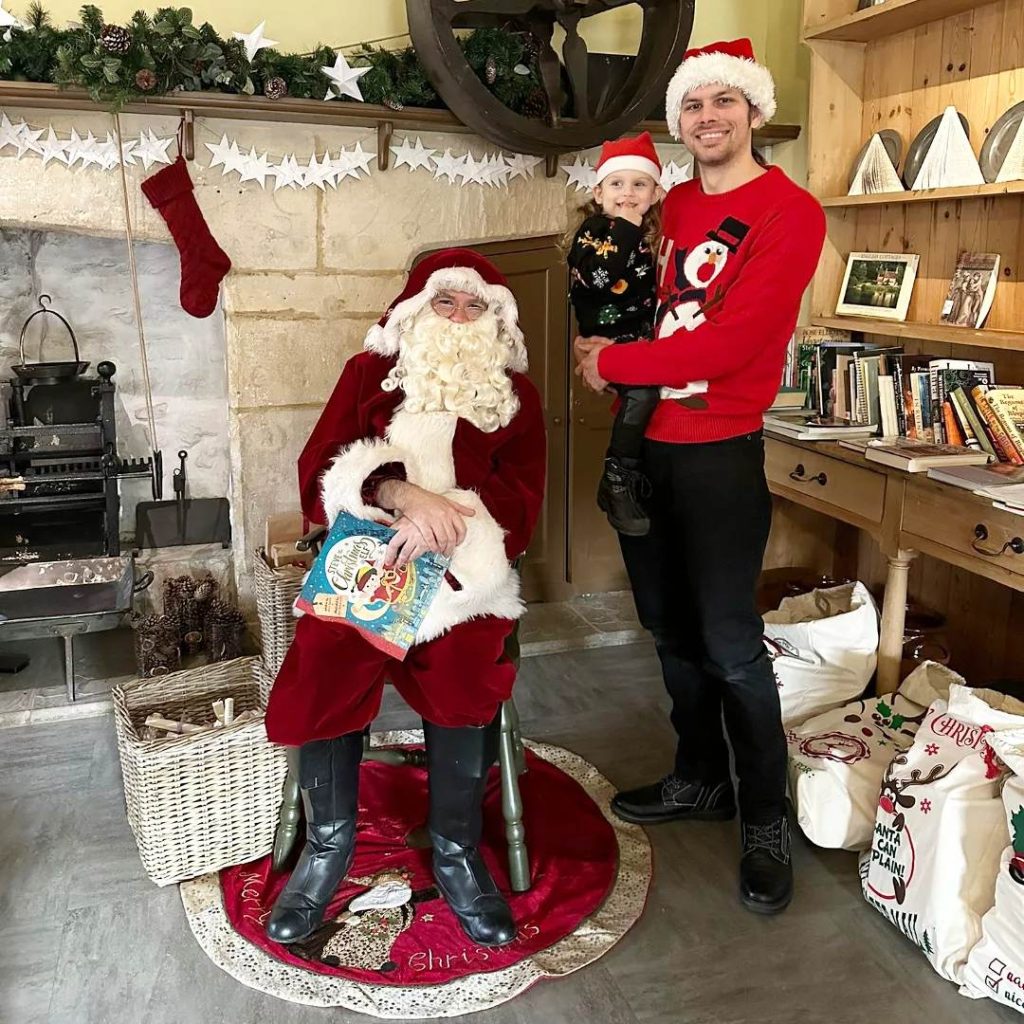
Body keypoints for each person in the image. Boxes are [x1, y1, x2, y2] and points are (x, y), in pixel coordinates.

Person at [575, 38, 826, 915]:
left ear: (753, 112)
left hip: (720, 449)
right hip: (640, 447)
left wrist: (617, 363)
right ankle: (700, 777)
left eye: (723, 102)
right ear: (678, 122)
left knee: (729, 643)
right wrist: (593, 345)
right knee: (669, 631)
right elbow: (614, 295)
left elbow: (736, 343)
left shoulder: (790, 212)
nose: (707, 118)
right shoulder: (666, 203)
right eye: (692, 106)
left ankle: (763, 812)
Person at [264, 248, 547, 947]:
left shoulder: (517, 398)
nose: (458, 316)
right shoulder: (369, 375)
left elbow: (523, 500)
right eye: (444, 303)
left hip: (463, 581)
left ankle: (453, 852)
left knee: (466, 673)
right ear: (415, 312)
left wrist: (449, 525)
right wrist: (398, 493)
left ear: (495, 322)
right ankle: (328, 848)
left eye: (474, 305)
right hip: (369, 564)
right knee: (323, 661)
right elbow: (320, 467)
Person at [566, 131, 664, 536]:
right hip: (606, 337)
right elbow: (599, 277)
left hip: (637, 337)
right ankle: (618, 474)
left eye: (639, 184)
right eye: (617, 184)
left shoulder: (651, 233)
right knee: (644, 393)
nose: (627, 194)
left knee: (648, 394)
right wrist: (625, 226)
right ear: (599, 192)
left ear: (656, 192)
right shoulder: (593, 230)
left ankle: (629, 473)